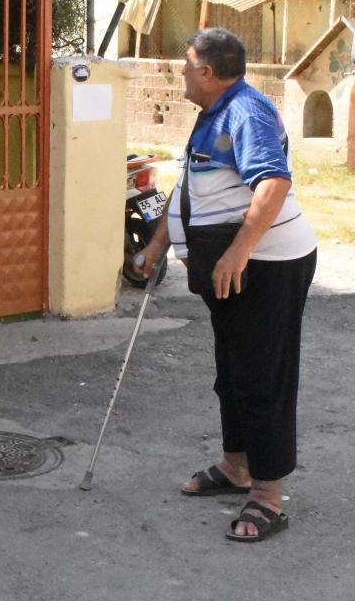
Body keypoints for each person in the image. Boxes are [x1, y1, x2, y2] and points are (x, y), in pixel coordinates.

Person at [135, 27, 317, 543]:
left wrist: (239, 250)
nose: (181, 74)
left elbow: (274, 182)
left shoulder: (246, 111)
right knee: (233, 374)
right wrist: (154, 247)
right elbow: (189, 187)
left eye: (185, 65)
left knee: (263, 378)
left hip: (267, 266)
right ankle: (237, 467)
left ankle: (267, 496)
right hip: (229, 269)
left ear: (208, 72)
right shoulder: (212, 116)